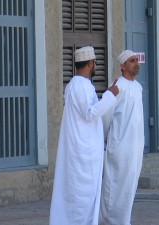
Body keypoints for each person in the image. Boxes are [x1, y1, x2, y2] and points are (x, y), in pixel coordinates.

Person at [49, 46, 119, 225]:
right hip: (83, 153)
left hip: (85, 150)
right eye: (94, 62)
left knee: (85, 197)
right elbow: (90, 113)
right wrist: (110, 96)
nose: (95, 65)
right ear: (90, 63)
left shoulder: (80, 84)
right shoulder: (79, 85)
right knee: (83, 197)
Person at [99, 50, 145, 225]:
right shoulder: (117, 86)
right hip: (119, 146)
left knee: (129, 186)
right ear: (123, 66)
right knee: (114, 186)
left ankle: (124, 221)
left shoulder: (138, 87)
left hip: (135, 147)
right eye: (132, 61)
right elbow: (106, 116)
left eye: (136, 60)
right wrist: (107, 138)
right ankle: (108, 221)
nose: (136, 63)